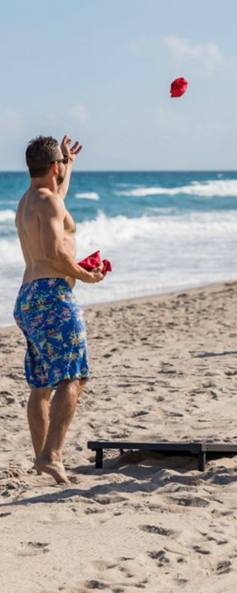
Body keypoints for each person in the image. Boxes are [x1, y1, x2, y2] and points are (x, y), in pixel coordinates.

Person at [13, 135, 105, 485]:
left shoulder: (29, 200)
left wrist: (70, 166)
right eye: (61, 165)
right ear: (54, 166)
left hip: (28, 297)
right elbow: (54, 252)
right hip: (53, 296)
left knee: (41, 384)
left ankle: (46, 460)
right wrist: (86, 275)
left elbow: (57, 204)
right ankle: (52, 455)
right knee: (74, 377)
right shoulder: (47, 202)